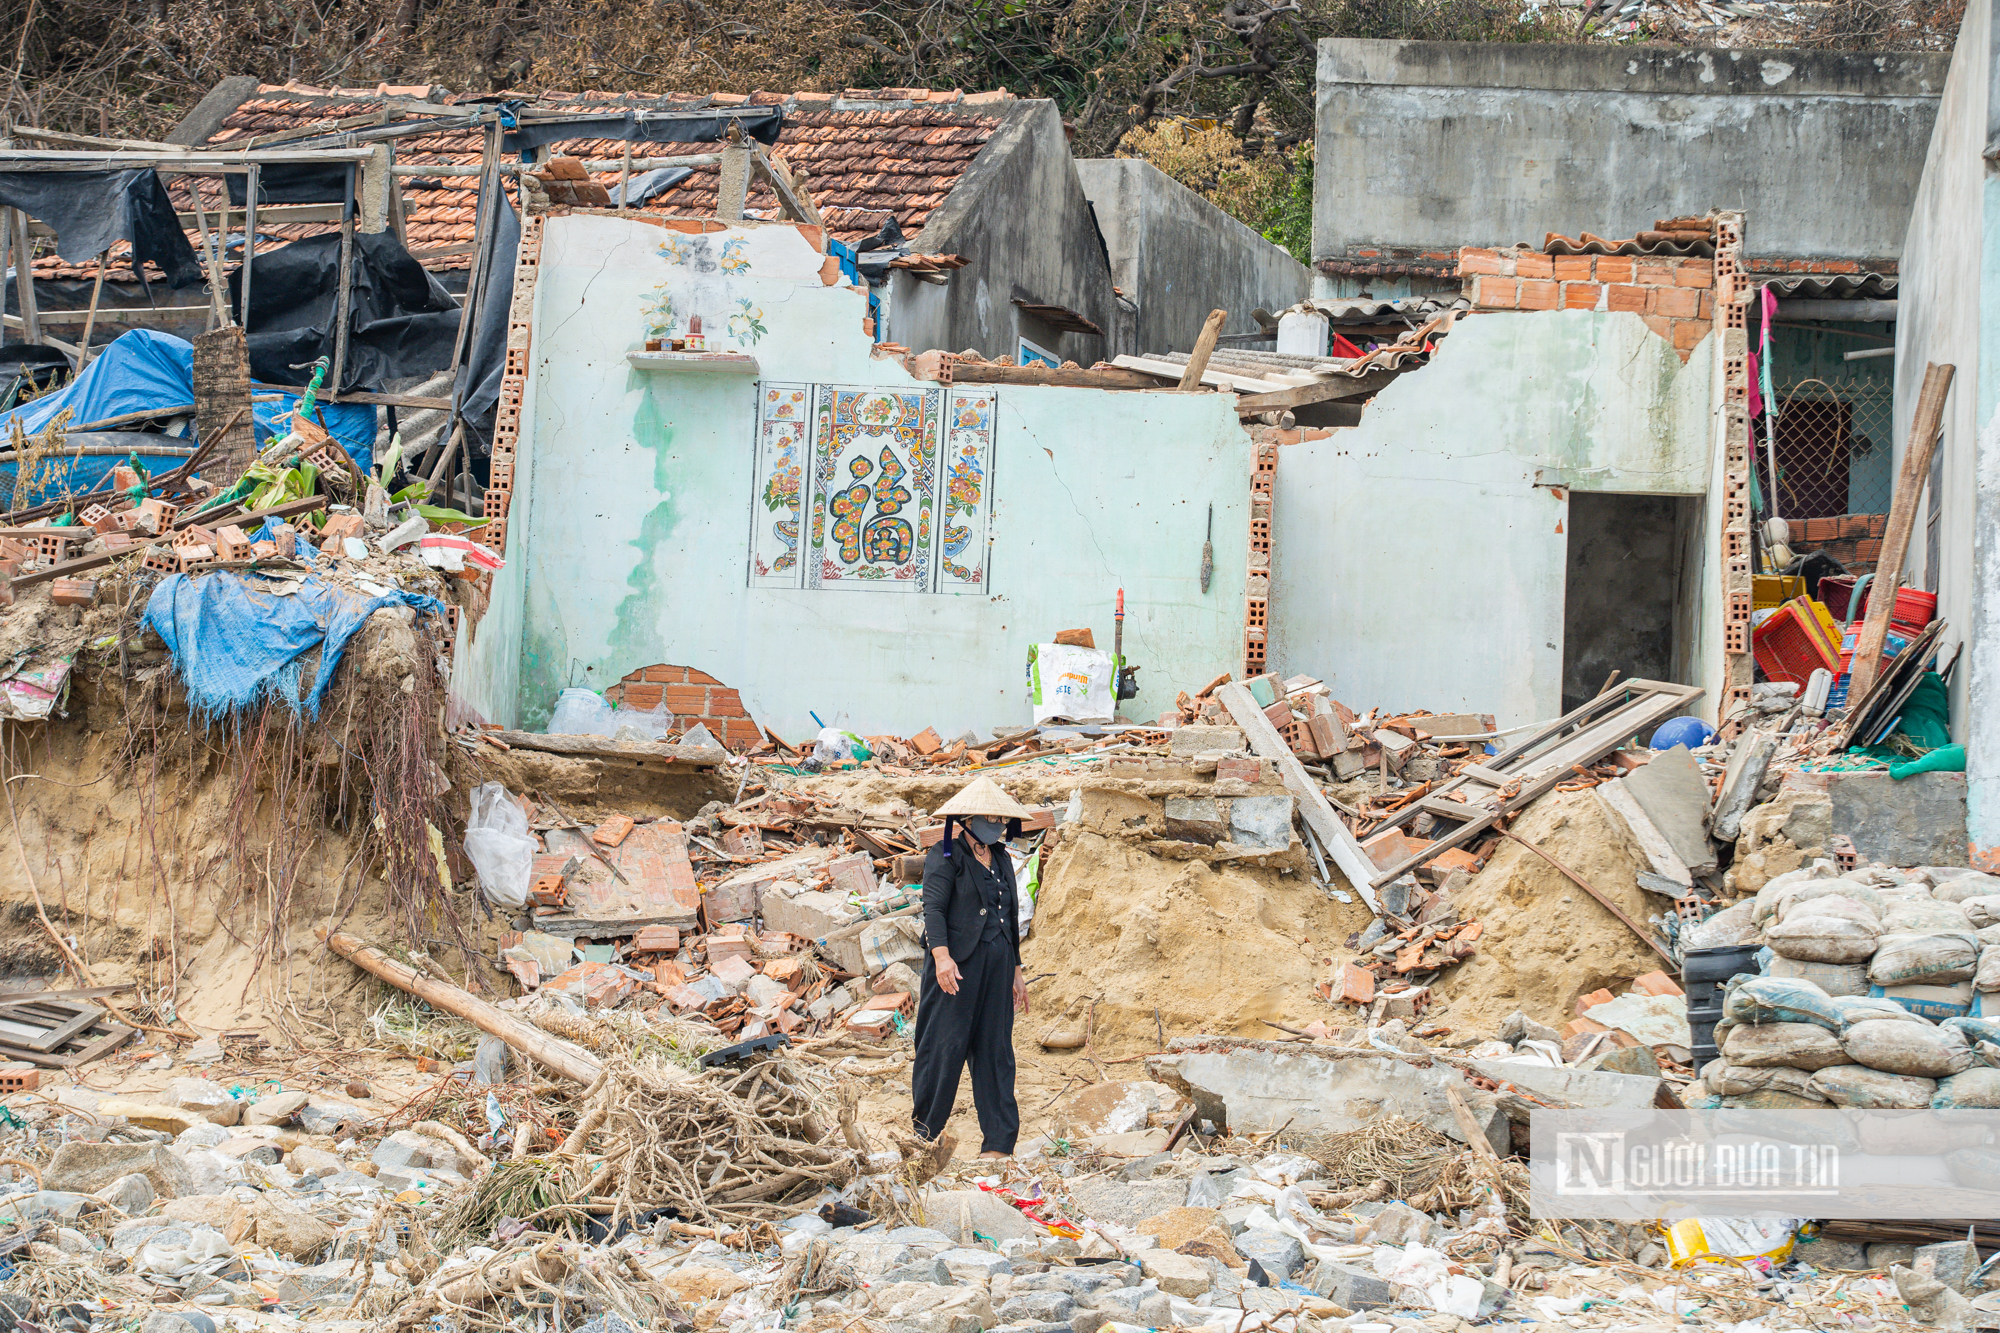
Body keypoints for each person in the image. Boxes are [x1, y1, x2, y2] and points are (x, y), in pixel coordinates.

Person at [910, 776, 1033, 1159]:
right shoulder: (945, 856)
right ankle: (923, 1136)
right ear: (967, 818)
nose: (996, 824)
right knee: (943, 1048)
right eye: (988, 817)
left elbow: (1010, 916)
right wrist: (941, 957)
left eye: (1000, 818)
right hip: (956, 969)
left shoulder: (1000, 857)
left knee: (996, 1050)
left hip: (997, 969)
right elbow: (933, 909)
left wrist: (1016, 971)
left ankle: (998, 1144)